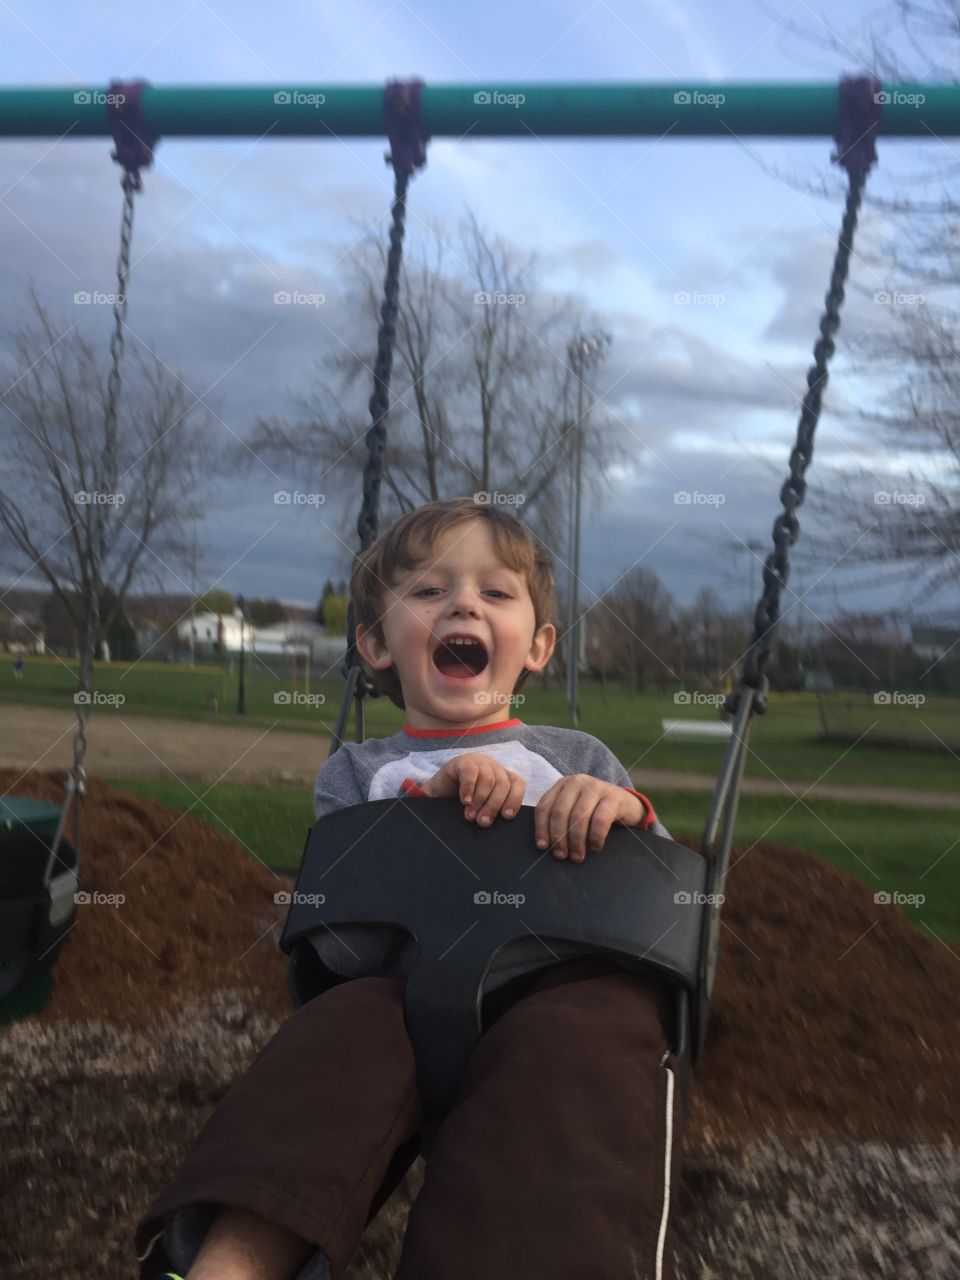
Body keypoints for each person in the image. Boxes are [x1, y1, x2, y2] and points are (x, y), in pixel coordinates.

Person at [135, 496, 689, 1280]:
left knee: (573, 1072)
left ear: (537, 645)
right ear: (374, 644)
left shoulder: (579, 755)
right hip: (406, 991)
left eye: (495, 593)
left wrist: (625, 812)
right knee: (329, 1045)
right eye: (429, 591)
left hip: (564, 993)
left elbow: (656, 922)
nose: (463, 601)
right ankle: (224, 1270)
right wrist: (423, 828)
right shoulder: (357, 775)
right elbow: (349, 948)